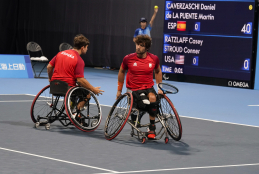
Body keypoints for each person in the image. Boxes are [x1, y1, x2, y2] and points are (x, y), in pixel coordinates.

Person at [117, 35, 162, 139]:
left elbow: (158, 71)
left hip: (148, 87)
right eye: (137, 44)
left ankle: (152, 128)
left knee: (153, 99)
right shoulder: (128, 58)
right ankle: (137, 113)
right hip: (134, 88)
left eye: (141, 45)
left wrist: (160, 88)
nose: (138, 47)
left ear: (147, 48)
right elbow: (121, 71)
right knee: (144, 102)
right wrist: (119, 90)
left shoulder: (153, 58)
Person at [47, 34, 104, 113]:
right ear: (82, 47)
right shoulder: (79, 60)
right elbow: (80, 80)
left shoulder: (60, 53)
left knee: (77, 87)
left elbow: (49, 67)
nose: (87, 49)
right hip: (67, 88)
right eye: (87, 47)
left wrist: (50, 78)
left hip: (54, 86)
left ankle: (71, 108)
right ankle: (75, 113)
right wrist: (93, 89)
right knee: (87, 93)